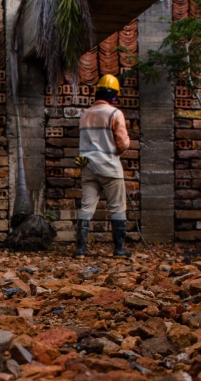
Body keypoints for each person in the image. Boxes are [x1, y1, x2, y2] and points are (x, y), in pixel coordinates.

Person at [73, 73, 131, 258]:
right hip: (109, 167)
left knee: (86, 207)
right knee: (117, 208)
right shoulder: (114, 113)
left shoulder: (85, 115)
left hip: (88, 167)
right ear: (113, 95)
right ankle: (119, 249)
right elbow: (122, 143)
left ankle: (81, 249)